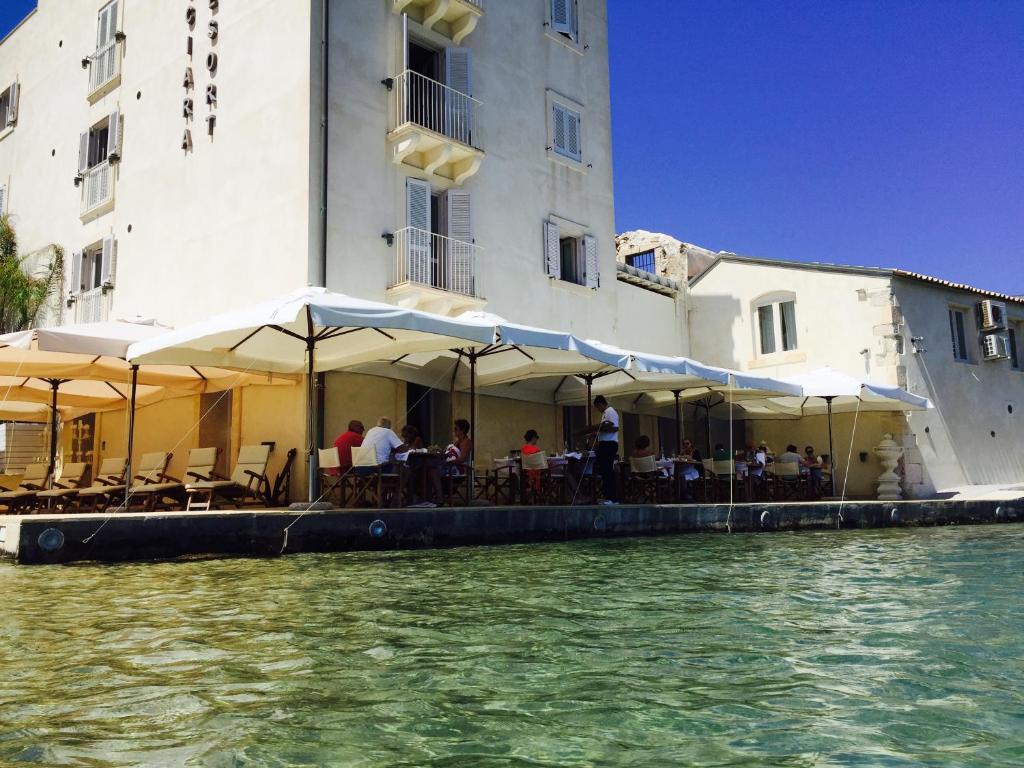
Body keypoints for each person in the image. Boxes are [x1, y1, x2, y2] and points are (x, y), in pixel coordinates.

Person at [588, 395, 619, 504]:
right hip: (604, 444)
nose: (598, 410)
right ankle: (607, 496)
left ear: (601, 404)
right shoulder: (605, 414)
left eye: (597, 407)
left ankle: (612, 498)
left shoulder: (610, 412)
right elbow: (606, 429)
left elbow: (614, 428)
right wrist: (597, 433)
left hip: (609, 444)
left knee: (608, 471)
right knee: (604, 471)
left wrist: (598, 431)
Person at [521, 429, 542, 493]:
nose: (537, 440)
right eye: (536, 438)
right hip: (536, 474)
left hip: (526, 474)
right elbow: (541, 463)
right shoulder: (536, 449)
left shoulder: (523, 449)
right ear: (533, 438)